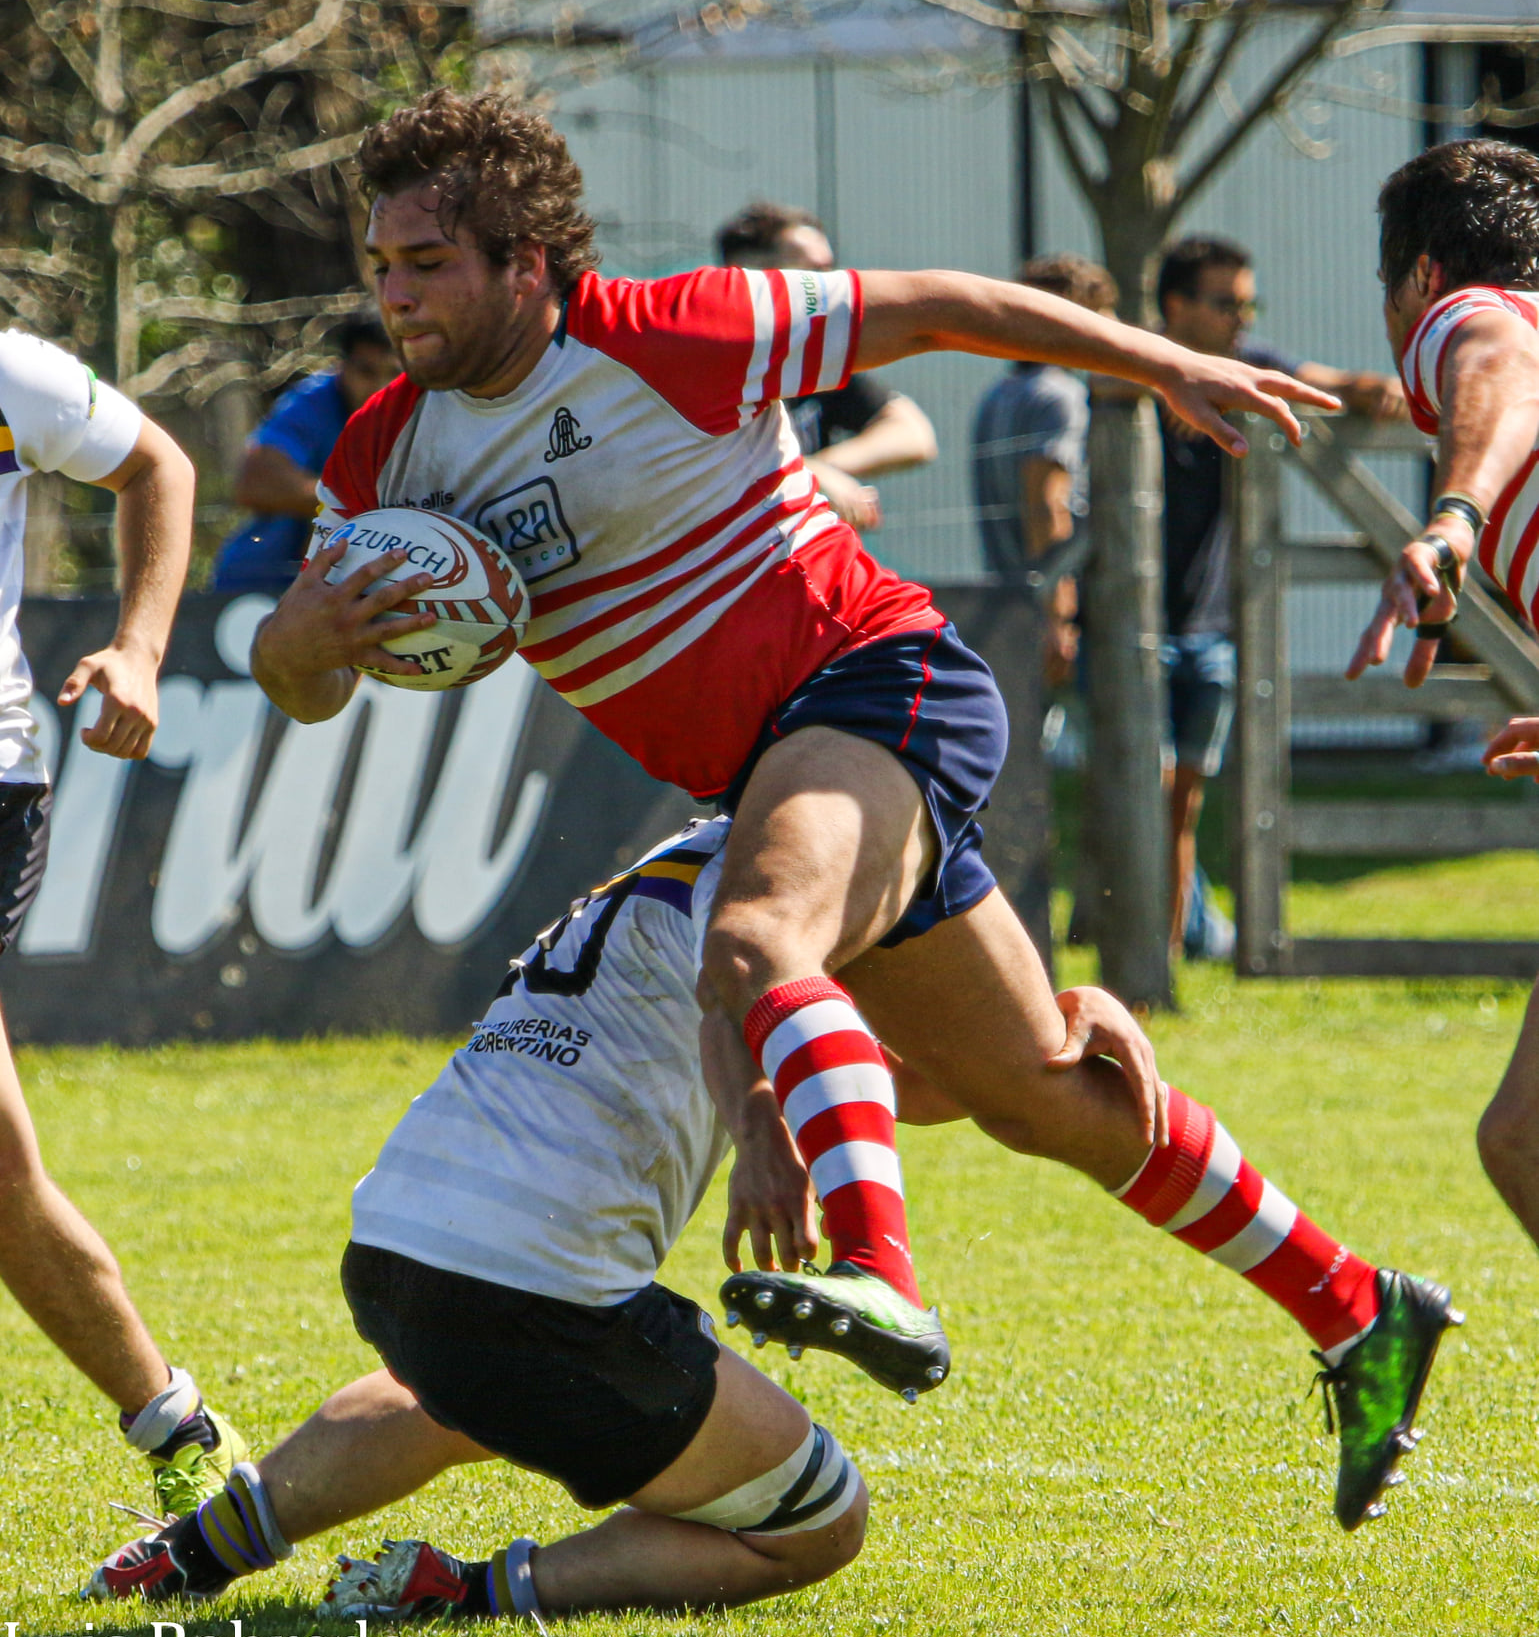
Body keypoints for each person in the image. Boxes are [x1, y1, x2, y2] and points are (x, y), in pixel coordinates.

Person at [249, 89, 1446, 1534]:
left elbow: (945, 304)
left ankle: (877, 1271)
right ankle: (1356, 1307)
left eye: (426, 260)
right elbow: (297, 677)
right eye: (380, 262)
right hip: (769, 767)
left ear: (526, 260)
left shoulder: (675, 326)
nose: (393, 291)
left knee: (753, 937)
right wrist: (304, 641)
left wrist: (1163, 362)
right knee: (1036, 1096)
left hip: (877, 682)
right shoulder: (386, 455)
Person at [89, 819, 867, 1621]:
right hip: (536, 1293)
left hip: (394, 1245)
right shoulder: (787, 866)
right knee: (821, 1520)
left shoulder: (667, 860)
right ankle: (459, 1594)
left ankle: (188, 1553)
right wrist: (767, 1129)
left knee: (466, 1394)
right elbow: (744, 996)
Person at [0, 330, 243, 1512]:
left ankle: (178, 1431)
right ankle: (177, 1427)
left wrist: (141, 648)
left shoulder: (7, 373)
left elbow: (161, 467)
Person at [1344, 138, 1539, 1270]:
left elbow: (1496, 357)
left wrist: (1452, 516)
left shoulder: (1470, 314)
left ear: (1417, 275)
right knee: (1520, 1135)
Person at [1152, 236, 1409, 958]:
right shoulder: (1130, 369)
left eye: (1247, 303)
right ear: (1175, 306)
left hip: (1206, 626)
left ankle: (1165, 952)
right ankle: (1152, 938)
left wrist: (1374, 392)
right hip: (1129, 621)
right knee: (1143, 791)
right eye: (1222, 302)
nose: (1239, 318)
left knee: (1181, 802)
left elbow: (1325, 384)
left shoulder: (1249, 364)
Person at [717, 201, 936, 533]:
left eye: (829, 271)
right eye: (812, 275)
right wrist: (805, 476)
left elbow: (914, 435)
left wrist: (817, 470)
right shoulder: (708, 361)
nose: (831, 288)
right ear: (747, 274)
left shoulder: (808, 356)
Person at [971, 252, 1117, 686]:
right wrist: (1058, 616)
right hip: (1055, 612)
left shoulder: (997, 395)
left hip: (1008, 601)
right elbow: (1047, 504)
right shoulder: (1061, 396)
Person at [210, 317, 396, 596]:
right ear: (341, 366)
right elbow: (254, 482)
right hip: (260, 587)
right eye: (366, 372)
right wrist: (358, 504)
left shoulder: (422, 403)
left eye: (393, 373)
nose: (379, 387)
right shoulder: (315, 402)